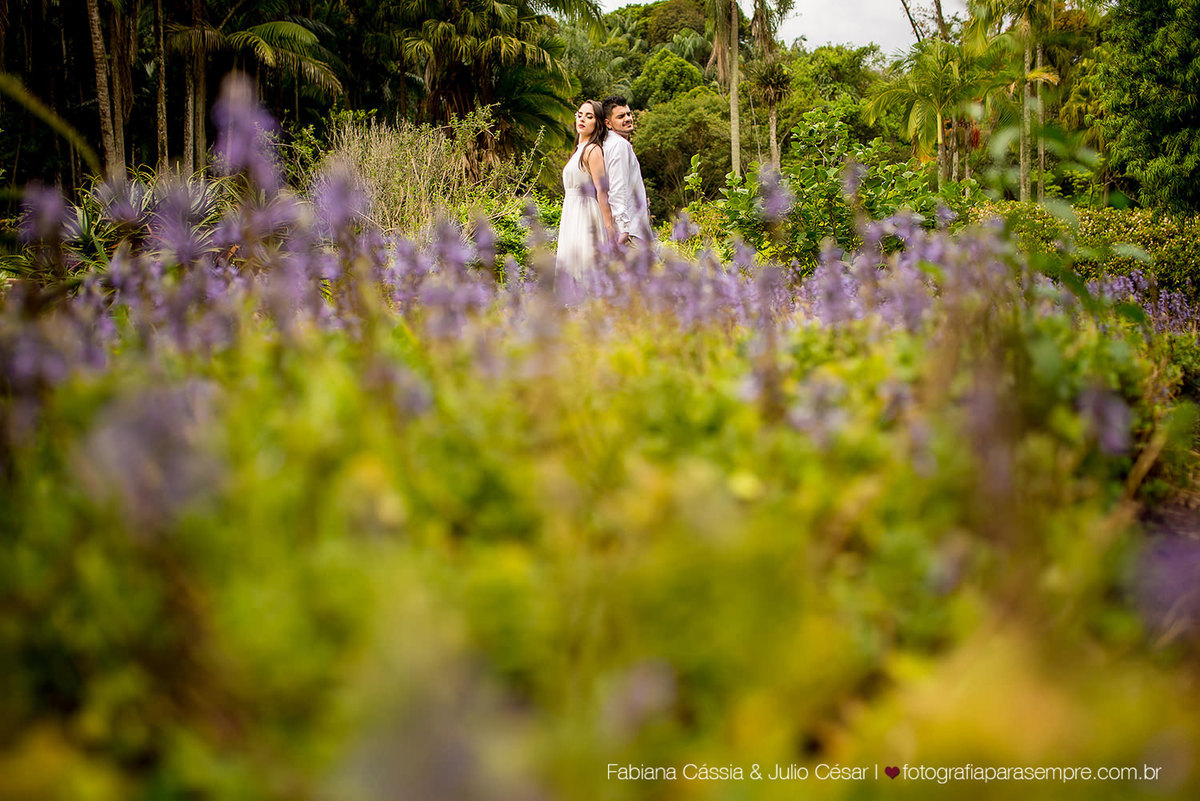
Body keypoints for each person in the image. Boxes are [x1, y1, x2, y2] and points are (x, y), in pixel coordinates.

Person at [555, 100, 615, 279]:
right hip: (571, 211)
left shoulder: (593, 150)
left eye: (589, 117)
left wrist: (608, 226)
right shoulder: (578, 150)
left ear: (598, 123)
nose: (582, 119)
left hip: (586, 213)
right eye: (580, 115)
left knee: (586, 266)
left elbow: (602, 191)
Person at [601, 96, 652, 245]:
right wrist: (624, 229)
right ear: (608, 123)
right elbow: (617, 188)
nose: (628, 119)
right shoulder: (619, 145)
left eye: (628, 114)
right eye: (621, 116)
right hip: (630, 232)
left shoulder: (610, 144)